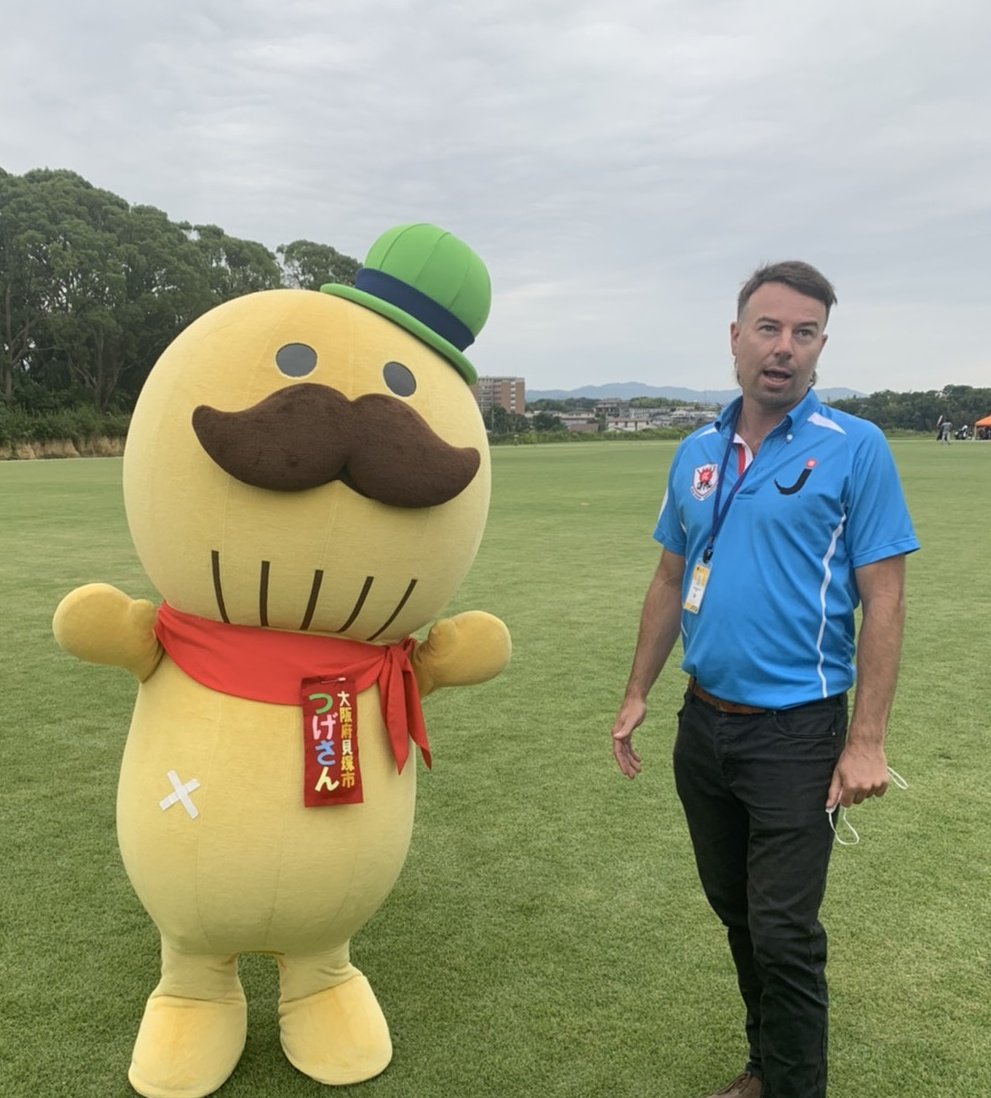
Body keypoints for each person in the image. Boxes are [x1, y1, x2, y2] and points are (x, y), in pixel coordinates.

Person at [610, 261, 919, 1098]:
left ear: (821, 345)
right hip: (700, 727)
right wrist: (639, 690)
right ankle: (764, 1065)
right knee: (739, 915)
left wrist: (866, 740)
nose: (783, 349)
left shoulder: (854, 448)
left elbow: (882, 599)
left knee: (783, 932)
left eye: (804, 333)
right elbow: (671, 578)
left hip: (796, 730)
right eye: (769, 328)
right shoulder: (695, 451)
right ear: (735, 336)